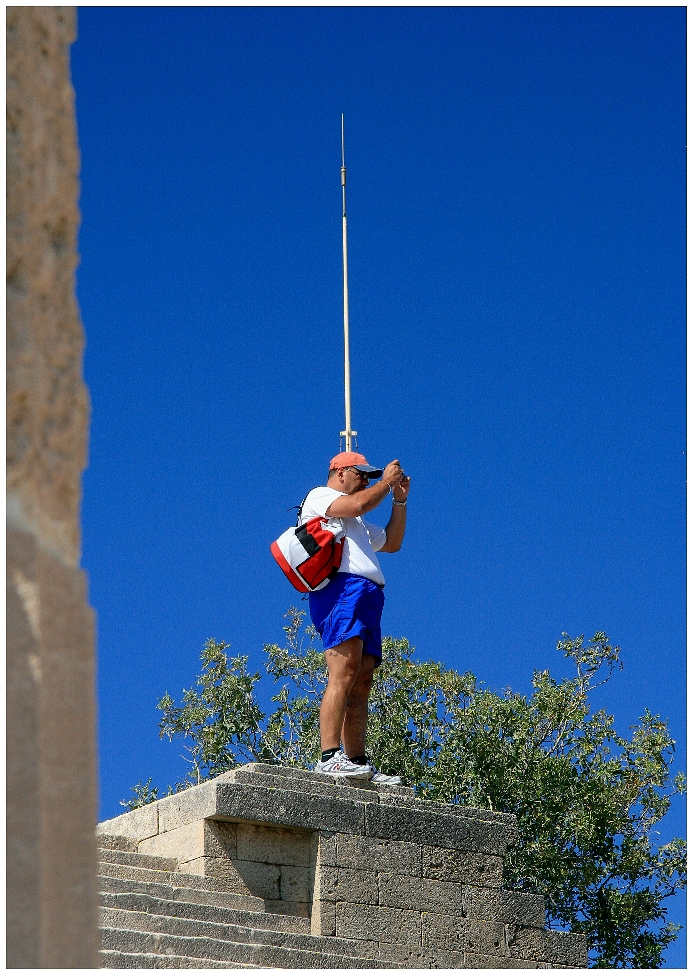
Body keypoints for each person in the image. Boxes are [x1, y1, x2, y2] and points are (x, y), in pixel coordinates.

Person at [300, 451, 411, 785]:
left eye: (370, 475)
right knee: (344, 670)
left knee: (362, 678)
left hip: (367, 595)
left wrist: (399, 502)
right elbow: (359, 504)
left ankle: (357, 761)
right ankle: (330, 756)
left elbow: (391, 543)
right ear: (341, 472)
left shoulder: (358, 522)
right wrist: (386, 484)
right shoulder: (321, 496)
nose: (367, 480)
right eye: (361, 474)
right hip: (340, 591)